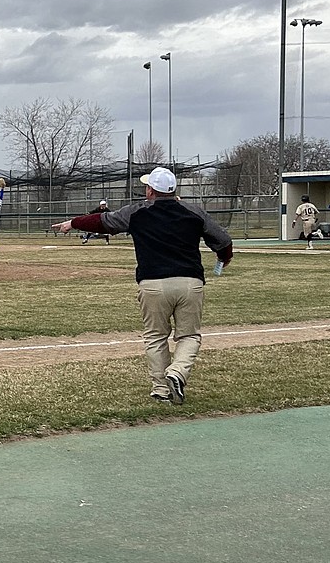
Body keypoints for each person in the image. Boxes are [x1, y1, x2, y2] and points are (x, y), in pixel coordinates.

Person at [51, 167, 233, 406]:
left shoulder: (137, 212)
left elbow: (104, 221)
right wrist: (223, 257)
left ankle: (160, 389)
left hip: (152, 283)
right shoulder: (193, 211)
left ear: (150, 191)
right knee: (189, 335)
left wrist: (73, 223)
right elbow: (222, 240)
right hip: (190, 283)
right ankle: (177, 372)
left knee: (156, 337)